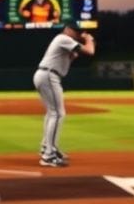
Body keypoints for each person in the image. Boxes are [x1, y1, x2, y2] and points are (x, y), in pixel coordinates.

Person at [34, 22, 95, 167]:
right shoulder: (63, 38)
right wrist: (89, 39)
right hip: (49, 75)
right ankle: (48, 155)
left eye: (78, 32)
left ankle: (47, 147)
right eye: (75, 31)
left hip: (45, 74)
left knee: (51, 113)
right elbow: (90, 51)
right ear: (67, 29)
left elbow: (73, 56)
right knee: (58, 114)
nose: (77, 34)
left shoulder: (63, 41)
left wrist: (75, 51)